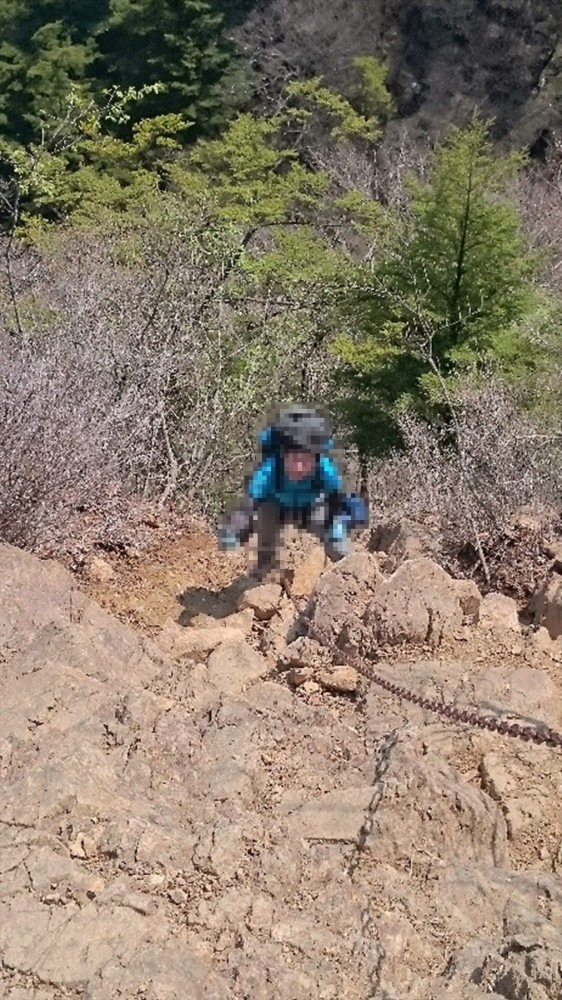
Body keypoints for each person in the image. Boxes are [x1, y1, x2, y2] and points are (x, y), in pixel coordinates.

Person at [217, 404, 369, 581]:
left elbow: (336, 502)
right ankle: (264, 569)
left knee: (332, 531)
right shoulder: (269, 470)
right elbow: (248, 507)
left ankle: (351, 570)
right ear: (282, 455)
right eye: (294, 459)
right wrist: (236, 530)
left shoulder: (325, 470)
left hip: (311, 508)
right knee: (265, 518)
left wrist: (339, 525)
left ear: (317, 458)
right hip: (276, 507)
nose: (299, 467)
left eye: (306, 460)